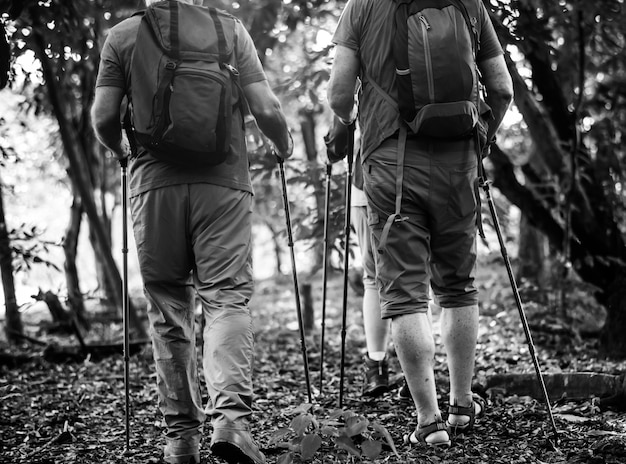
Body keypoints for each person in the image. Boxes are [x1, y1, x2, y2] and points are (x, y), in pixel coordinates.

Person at [91, 1, 293, 463]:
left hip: (153, 185)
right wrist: (283, 145)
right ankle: (231, 423)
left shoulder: (123, 36)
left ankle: (181, 439)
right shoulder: (231, 31)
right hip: (222, 184)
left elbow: (103, 118)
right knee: (225, 298)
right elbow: (266, 106)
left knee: (168, 306)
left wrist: (124, 152)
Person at [327, 0, 513, 449]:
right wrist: (481, 139)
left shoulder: (362, 6)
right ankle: (463, 404)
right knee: (457, 285)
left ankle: (429, 421)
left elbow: (338, 93)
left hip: (391, 163)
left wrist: (352, 125)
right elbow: (502, 88)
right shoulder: (469, 4)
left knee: (406, 292)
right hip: (458, 161)